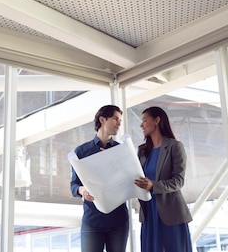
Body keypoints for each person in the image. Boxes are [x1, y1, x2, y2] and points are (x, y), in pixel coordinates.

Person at [70, 105, 129, 252]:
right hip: (92, 220)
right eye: (115, 118)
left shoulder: (121, 150)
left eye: (120, 120)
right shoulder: (81, 152)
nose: (119, 123)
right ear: (103, 119)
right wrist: (82, 190)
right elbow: (74, 185)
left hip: (118, 220)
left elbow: (128, 179)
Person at [134, 106, 193, 252]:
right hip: (149, 213)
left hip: (171, 212)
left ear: (157, 120)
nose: (141, 125)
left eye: (144, 120)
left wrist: (153, 185)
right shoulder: (142, 151)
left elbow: (179, 181)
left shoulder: (175, 146)